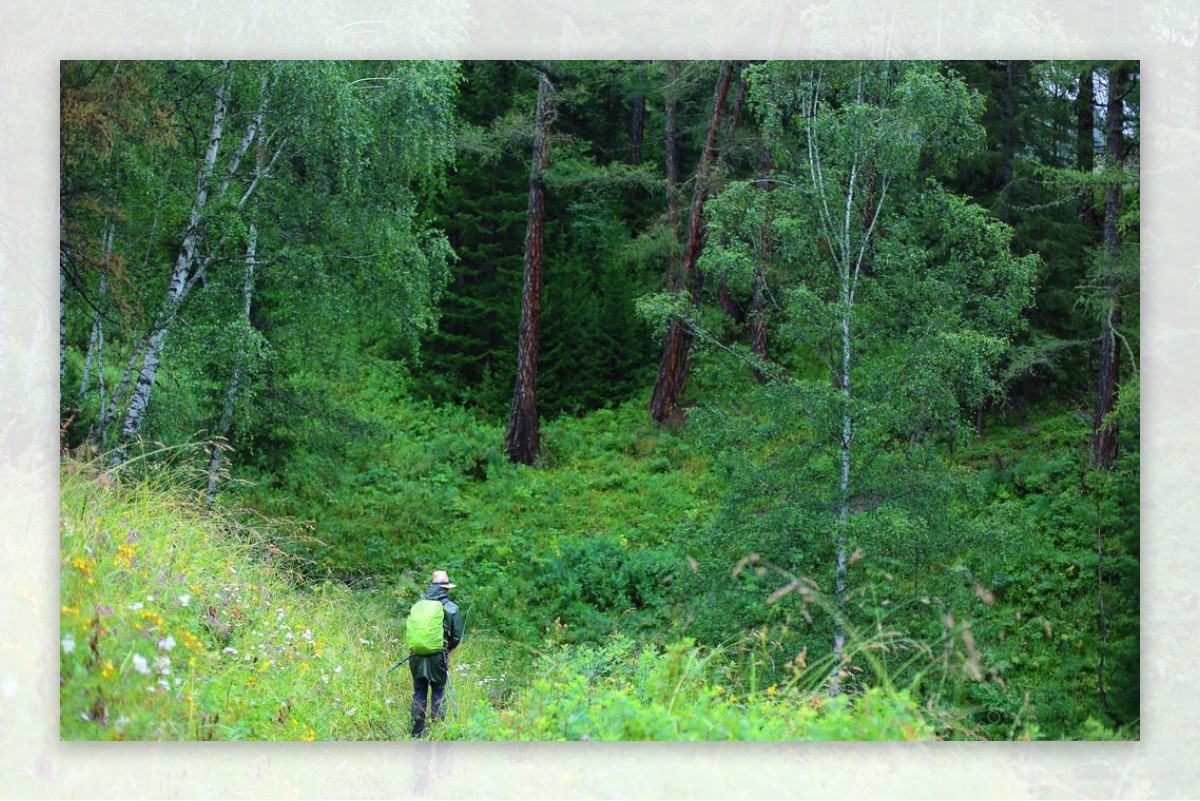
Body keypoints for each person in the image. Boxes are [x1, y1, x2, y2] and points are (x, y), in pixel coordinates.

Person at [409, 569, 464, 737]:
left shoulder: (418, 604)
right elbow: (456, 636)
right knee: (438, 690)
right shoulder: (450, 608)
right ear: (445, 588)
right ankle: (437, 730)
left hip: (416, 655)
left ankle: (417, 731)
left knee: (419, 690)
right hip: (438, 657)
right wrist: (448, 650)